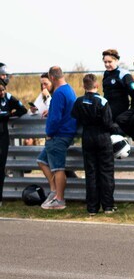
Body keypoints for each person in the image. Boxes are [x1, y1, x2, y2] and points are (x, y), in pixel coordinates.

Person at [71, 74, 116, 215]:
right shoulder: (103, 101)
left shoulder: (79, 101)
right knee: (106, 172)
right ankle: (108, 206)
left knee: (91, 173)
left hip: (87, 137)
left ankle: (92, 208)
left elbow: (75, 117)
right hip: (102, 137)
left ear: (84, 86)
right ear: (97, 86)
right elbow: (108, 123)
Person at [37, 66, 77, 210]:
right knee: (41, 160)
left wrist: (49, 133)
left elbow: (55, 119)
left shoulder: (59, 93)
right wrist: (51, 109)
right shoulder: (69, 89)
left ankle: (59, 199)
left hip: (59, 135)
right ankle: (54, 191)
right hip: (65, 133)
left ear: (52, 78)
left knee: (58, 168)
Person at [0, 78, 28, 206]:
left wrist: (9, 115)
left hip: (2, 137)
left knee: (1, 168)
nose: (1, 92)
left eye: (3, 90)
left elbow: (23, 110)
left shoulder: (8, 97)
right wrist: (6, 114)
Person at [101, 49, 134, 128]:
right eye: (105, 62)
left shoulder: (123, 74)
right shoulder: (106, 73)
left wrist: (132, 110)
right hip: (108, 110)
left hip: (120, 112)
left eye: (110, 62)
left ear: (116, 61)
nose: (107, 64)